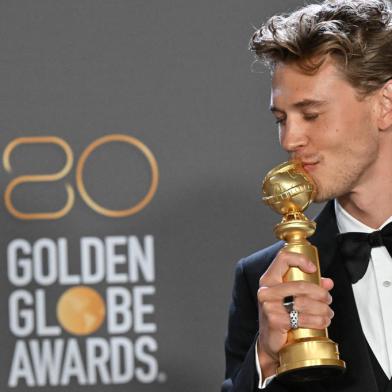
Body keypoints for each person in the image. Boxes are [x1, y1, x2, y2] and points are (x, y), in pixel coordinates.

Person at [222, 0, 392, 391]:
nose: (289, 140)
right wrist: (265, 359)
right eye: (281, 119)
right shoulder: (263, 281)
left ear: (384, 104)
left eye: (311, 114)